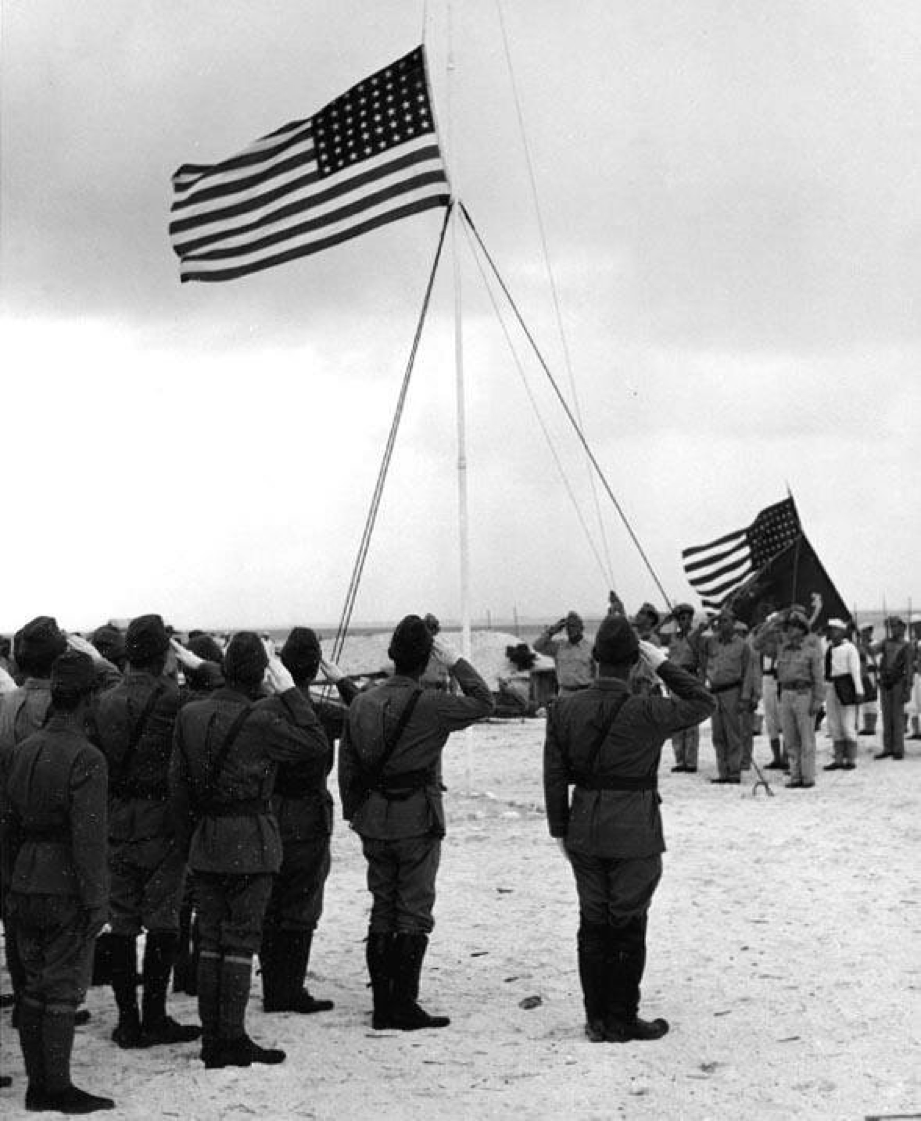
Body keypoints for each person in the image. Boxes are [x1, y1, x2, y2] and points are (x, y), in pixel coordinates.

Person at [543, 614, 715, 1043]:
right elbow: (703, 701)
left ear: (595, 659)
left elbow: (553, 776)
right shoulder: (648, 709)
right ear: (634, 662)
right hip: (634, 829)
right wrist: (660, 662)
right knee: (628, 922)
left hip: (583, 826)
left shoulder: (565, 708)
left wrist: (560, 830)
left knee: (592, 921)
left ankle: (596, 1018)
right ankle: (622, 1016)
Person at [170, 632, 330, 1069]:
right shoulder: (262, 719)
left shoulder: (190, 714)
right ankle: (232, 1037)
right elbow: (315, 741)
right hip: (251, 837)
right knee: (240, 941)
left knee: (210, 940)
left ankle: (211, 1041)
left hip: (205, 837)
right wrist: (291, 691)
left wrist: (190, 844)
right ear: (260, 673)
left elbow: (178, 787)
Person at [338, 615, 494, 1031]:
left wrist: (354, 813)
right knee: (413, 910)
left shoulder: (363, 702)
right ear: (426, 660)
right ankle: (402, 1005)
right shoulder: (433, 704)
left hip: (373, 818)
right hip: (416, 818)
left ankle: (382, 1003)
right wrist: (456, 660)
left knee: (382, 908)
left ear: (391, 655)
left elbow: (348, 765)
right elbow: (484, 700)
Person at [0, 651, 114, 1113]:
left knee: (32, 988)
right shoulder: (87, 757)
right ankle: (57, 1087)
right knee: (63, 988)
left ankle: (36, 1086)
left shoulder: (24, 750)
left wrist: (9, 881)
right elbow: (88, 839)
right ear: (87, 699)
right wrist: (97, 899)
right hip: (64, 880)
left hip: (24, 877)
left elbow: (6, 824)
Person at [93, 615, 203, 1049]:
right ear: (162, 654)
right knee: (162, 920)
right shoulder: (175, 700)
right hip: (161, 818)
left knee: (121, 922)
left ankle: (127, 1021)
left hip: (117, 818)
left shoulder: (104, 701)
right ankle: (154, 1016)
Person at [258, 627, 357, 1015]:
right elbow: (368, 713)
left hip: (270, 808)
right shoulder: (322, 713)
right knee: (302, 900)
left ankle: (271, 987)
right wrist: (342, 680)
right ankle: (290, 989)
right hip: (309, 812)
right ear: (314, 668)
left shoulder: (265, 707)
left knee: (271, 899)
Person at [770, 609, 824, 788]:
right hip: (785, 693)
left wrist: (817, 701)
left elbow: (818, 678)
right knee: (790, 737)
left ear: (802, 630)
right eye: (788, 627)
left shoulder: (811, 652)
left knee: (806, 737)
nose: (790, 631)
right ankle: (795, 776)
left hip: (804, 694)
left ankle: (807, 777)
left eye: (794, 627)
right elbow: (758, 642)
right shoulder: (782, 650)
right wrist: (776, 621)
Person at [700, 608, 755, 784]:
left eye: (726, 621)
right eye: (720, 621)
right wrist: (708, 623)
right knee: (718, 734)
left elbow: (748, 673)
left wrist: (745, 697)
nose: (722, 624)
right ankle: (722, 772)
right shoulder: (711, 642)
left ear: (734, 623)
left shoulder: (742, 645)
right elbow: (694, 643)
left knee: (733, 734)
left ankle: (734, 772)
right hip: (715, 691)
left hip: (733, 691)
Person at [664, 604, 704, 772]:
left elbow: (702, 660)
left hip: (690, 677)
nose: (684, 621)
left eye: (686, 618)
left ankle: (691, 760)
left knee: (691, 721)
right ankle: (680, 759)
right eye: (680, 618)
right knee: (677, 721)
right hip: (675, 679)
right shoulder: (674, 638)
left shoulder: (696, 637)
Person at [822, 620, 864, 771]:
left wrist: (859, 690)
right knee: (834, 724)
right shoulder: (829, 649)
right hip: (831, 685)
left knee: (847, 723)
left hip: (846, 685)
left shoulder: (850, 648)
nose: (831, 633)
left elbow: (855, 670)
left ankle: (851, 758)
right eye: (830, 630)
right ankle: (839, 757)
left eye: (834, 630)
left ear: (841, 631)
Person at [873, 617, 913, 760]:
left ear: (902, 628)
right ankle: (887, 747)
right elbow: (872, 651)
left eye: (896, 626)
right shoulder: (885, 642)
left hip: (898, 682)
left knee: (897, 717)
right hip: (885, 682)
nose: (894, 629)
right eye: (892, 626)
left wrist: (908, 688)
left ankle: (898, 749)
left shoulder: (906, 646)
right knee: (886, 717)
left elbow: (909, 668)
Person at [533, 611, 595, 697]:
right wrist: (552, 631)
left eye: (573, 626)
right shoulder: (559, 647)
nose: (570, 629)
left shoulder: (590, 648)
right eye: (567, 627)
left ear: (581, 628)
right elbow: (537, 646)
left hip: (584, 692)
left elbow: (597, 672)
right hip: (564, 693)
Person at [856, 625, 880, 737]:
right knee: (865, 702)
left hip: (871, 674)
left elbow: (878, 659)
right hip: (862, 674)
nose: (867, 633)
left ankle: (872, 727)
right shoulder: (858, 645)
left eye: (869, 631)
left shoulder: (875, 644)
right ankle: (867, 726)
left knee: (872, 701)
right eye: (864, 631)